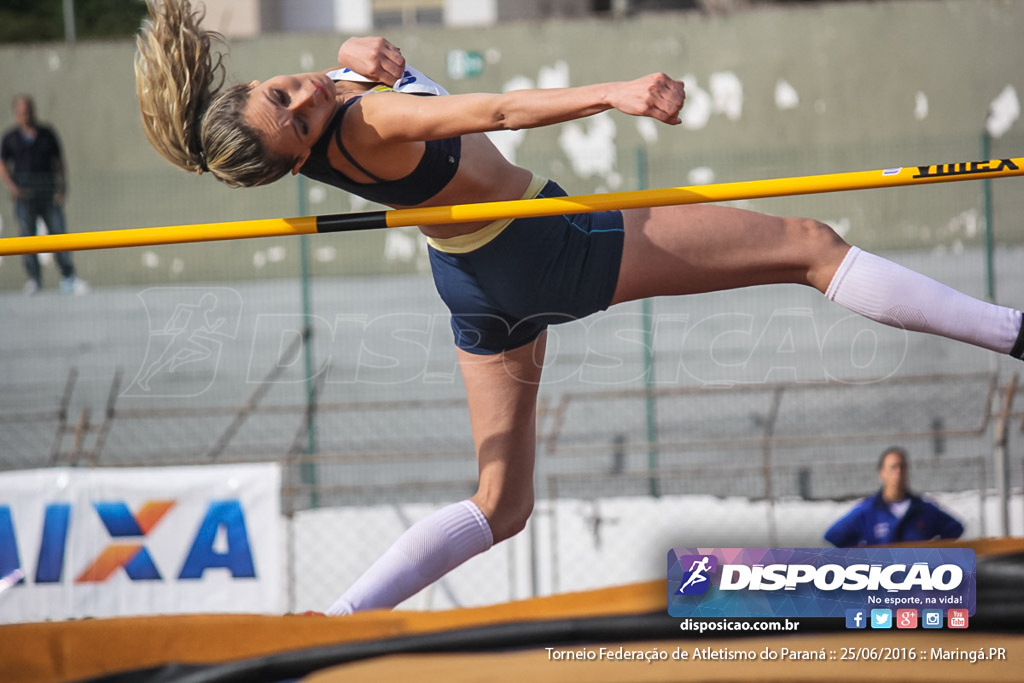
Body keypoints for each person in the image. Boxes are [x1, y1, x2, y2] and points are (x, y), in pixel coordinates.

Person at [135, 0, 1021, 614]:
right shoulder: (367, 126)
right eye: (294, 111)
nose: (304, 94)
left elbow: (338, 87)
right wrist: (615, 92)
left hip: (474, 286)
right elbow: (503, 109)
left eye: (284, 88)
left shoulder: (319, 118)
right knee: (810, 244)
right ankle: (1013, 332)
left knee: (500, 502)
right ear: (297, 159)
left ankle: (333, 615)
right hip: (546, 247)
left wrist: (350, 53)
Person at [0, 95, 88, 295]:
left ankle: (68, 277)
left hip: (48, 195)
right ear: (16, 114)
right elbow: (3, 165)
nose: (26, 115)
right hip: (25, 197)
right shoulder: (11, 138)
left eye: (28, 110)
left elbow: (59, 161)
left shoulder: (46, 134)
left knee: (58, 235)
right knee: (27, 238)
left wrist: (61, 187)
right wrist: (13, 188)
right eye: (22, 112)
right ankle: (34, 279)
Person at [824, 447, 964, 547]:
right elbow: (835, 535)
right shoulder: (869, 510)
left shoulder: (923, 509)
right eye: (893, 467)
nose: (898, 472)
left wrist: (934, 555)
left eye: (902, 467)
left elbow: (954, 528)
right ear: (882, 473)